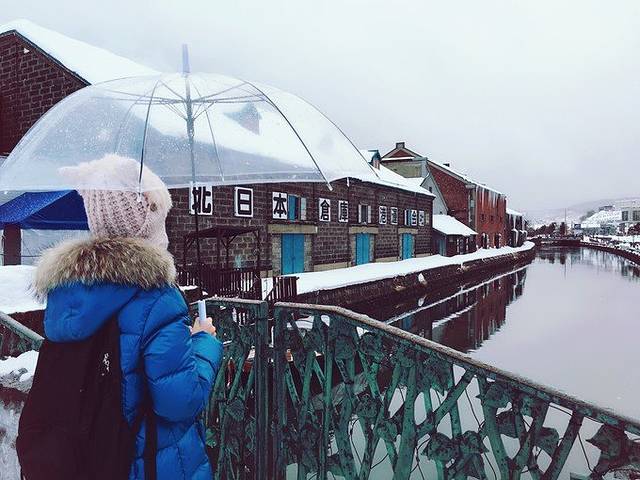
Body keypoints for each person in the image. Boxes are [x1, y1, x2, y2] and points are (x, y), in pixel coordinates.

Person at [32, 155, 223, 480]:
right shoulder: (158, 299)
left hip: (91, 459)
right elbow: (180, 401)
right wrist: (204, 343)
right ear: (146, 221)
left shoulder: (67, 293)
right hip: (150, 463)